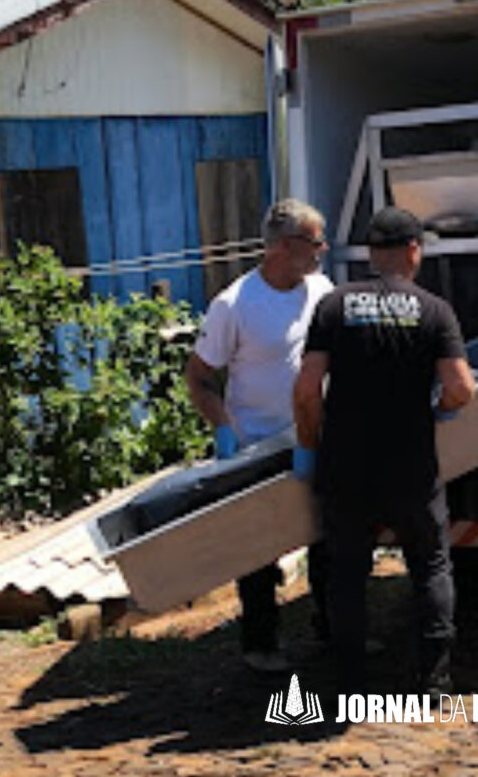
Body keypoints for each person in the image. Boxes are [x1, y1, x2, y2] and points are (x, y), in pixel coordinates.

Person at [293, 206, 476, 696]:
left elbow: (307, 388)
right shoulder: (435, 310)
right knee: (430, 567)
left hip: (345, 466)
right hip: (410, 467)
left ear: (373, 254)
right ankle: (433, 682)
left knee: (347, 571)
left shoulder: (333, 306)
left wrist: (310, 445)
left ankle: (351, 683)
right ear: (414, 251)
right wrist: (439, 408)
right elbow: (460, 387)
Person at [185, 198, 333, 673]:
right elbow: (200, 377)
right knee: (258, 553)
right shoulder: (235, 304)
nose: (322, 251)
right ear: (285, 247)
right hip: (258, 445)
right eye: (315, 243)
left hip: (316, 437)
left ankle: (334, 630)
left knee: (331, 541)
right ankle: (261, 644)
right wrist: (224, 429)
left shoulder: (321, 291)